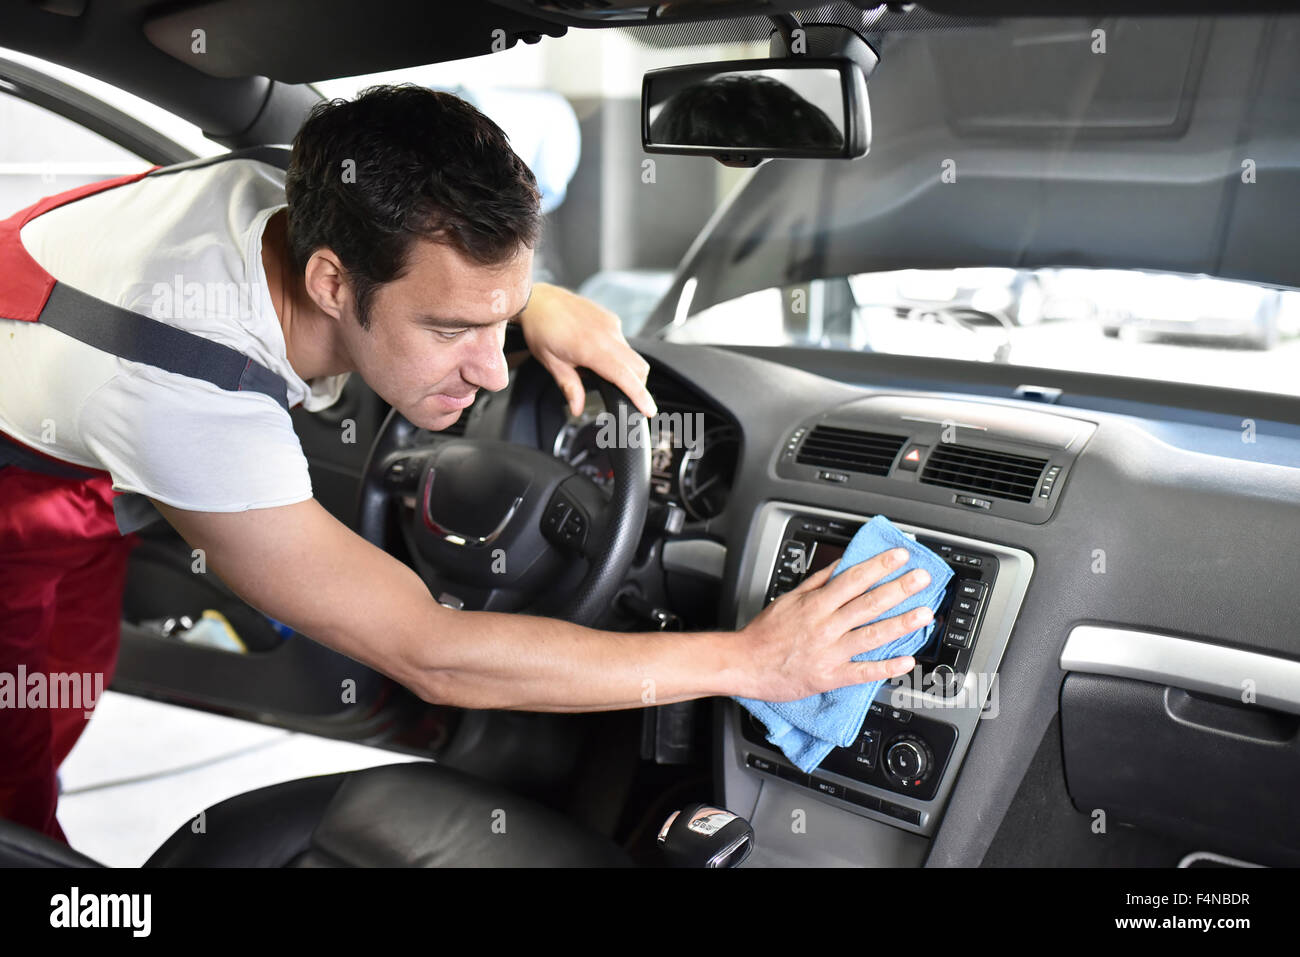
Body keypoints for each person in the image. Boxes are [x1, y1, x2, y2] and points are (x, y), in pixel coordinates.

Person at [0, 84, 927, 843]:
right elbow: (432, 654)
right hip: (20, 487)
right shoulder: (181, 395)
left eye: (501, 317)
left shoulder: (322, 179)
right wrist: (752, 661)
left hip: (68, 441)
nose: (490, 372)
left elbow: (437, 252)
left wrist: (534, 302)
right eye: (451, 329)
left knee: (57, 696)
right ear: (330, 281)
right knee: (13, 764)